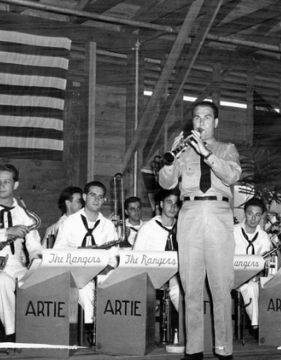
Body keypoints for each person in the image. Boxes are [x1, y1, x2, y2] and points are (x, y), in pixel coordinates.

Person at [159, 100, 242, 360]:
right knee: (191, 287)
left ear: (215, 122)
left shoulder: (227, 149)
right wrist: (172, 158)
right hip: (190, 215)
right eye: (197, 117)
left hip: (218, 215)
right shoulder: (183, 150)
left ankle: (223, 350)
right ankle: (193, 350)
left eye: (207, 118)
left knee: (220, 288)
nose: (201, 122)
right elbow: (166, 182)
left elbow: (231, 176)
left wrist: (207, 154)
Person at [54, 180, 118, 327]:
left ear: (104, 200)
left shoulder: (108, 226)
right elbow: (58, 251)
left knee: (116, 285)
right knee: (85, 290)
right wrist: (79, 252)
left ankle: (113, 328)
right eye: (93, 195)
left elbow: (114, 255)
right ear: (84, 196)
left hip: (101, 272)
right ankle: (91, 329)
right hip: (76, 272)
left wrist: (105, 268)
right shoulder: (70, 222)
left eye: (100, 197)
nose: (96, 199)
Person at [0, 164, 42, 341]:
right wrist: (6, 233)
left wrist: (37, 260)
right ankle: (12, 335)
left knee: (40, 281)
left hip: (16, 265)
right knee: (3, 281)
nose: (1, 185)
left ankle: (40, 335)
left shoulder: (25, 214)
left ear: (15, 185)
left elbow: (34, 246)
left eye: (6, 181)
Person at [133, 188, 181, 311]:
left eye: (176, 204)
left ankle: (184, 327)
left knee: (181, 292)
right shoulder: (148, 228)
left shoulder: (183, 227)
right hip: (153, 275)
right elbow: (136, 257)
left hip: (177, 276)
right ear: (161, 204)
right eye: (169, 202)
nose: (173, 207)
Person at [234, 197, 271, 330]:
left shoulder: (263, 236)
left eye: (257, 215)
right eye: (250, 213)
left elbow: (267, 260)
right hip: (234, 278)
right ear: (245, 213)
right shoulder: (233, 232)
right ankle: (257, 326)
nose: (253, 218)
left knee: (256, 286)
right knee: (251, 288)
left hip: (255, 279)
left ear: (261, 217)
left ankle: (272, 326)